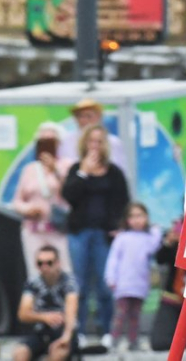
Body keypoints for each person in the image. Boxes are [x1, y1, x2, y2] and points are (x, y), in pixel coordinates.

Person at [61, 124, 129, 346]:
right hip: (79, 233)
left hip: (103, 234)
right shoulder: (76, 170)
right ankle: (78, 331)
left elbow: (123, 201)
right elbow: (68, 196)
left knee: (103, 283)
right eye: (91, 141)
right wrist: (84, 173)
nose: (95, 146)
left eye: (99, 141)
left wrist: (119, 226)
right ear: (84, 144)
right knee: (79, 283)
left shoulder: (113, 172)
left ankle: (107, 330)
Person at [12, 122, 73, 278]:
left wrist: (55, 170)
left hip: (58, 228)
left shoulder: (67, 165)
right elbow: (17, 201)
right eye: (42, 142)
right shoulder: (30, 169)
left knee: (64, 270)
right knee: (35, 272)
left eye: (50, 141)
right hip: (33, 229)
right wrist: (28, 209)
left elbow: (72, 193)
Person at [103, 202, 162, 351]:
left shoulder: (147, 238)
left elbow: (154, 246)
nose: (136, 220)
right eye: (132, 216)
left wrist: (156, 231)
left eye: (140, 216)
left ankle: (133, 341)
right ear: (127, 219)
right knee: (120, 314)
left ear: (146, 218)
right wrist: (111, 277)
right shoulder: (122, 237)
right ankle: (114, 340)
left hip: (140, 283)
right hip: (123, 284)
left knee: (135, 315)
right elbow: (113, 259)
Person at [13, 245, 79, 361]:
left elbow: (71, 312)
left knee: (58, 354)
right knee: (20, 353)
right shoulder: (33, 282)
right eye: (40, 263)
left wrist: (66, 337)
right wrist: (44, 317)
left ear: (58, 263)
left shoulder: (69, 282)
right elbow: (23, 314)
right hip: (39, 331)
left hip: (62, 332)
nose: (44, 267)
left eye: (49, 263)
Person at [150, 218, 186, 351]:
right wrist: (169, 242)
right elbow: (160, 259)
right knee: (160, 343)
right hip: (172, 297)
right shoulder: (177, 228)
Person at [58, 98, 126, 172]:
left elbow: (120, 169)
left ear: (99, 116)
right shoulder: (66, 140)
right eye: (80, 116)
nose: (84, 120)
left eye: (89, 116)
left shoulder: (113, 141)